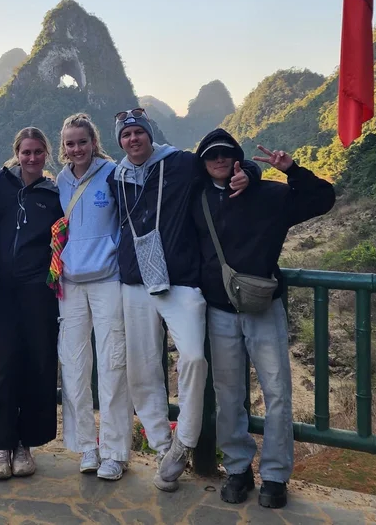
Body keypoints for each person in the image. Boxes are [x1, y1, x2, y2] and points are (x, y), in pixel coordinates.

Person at [108, 108, 259, 492]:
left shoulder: (178, 163)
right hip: (134, 281)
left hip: (180, 281)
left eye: (138, 133)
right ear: (119, 142)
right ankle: (162, 448)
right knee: (143, 368)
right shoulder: (116, 175)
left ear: (149, 134)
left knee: (193, 357)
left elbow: (218, 165)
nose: (133, 140)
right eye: (125, 136)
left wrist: (251, 172)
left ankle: (185, 441)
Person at [191, 129, 335, 509]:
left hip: (264, 308)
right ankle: (237, 469)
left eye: (225, 153)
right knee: (228, 395)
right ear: (203, 164)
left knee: (277, 392)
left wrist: (291, 170)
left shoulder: (270, 195)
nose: (219, 160)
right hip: (219, 311)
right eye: (211, 156)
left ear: (237, 156)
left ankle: (274, 475)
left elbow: (323, 199)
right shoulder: (199, 200)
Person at [0, 127, 64, 480]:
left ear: (46, 154)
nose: (32, 158)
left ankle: (24, 445)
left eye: (38, 152)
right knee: (4, 366)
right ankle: (2, 445)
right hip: (1, 293)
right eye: (26, 152)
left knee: (37, 364)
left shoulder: (53, 194)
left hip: (38, 293)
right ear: (16, 152)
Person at [54, 113, 134, 481]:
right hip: (70, 284)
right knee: (73, 364)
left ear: (94, 141)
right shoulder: (61, 181)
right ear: (63, 147)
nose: (76, 149)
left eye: (82, 142)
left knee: (113, 363)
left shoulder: (114, 173)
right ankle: (87, 445)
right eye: (70, 143)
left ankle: (116, 452)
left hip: (108, 280)